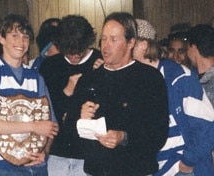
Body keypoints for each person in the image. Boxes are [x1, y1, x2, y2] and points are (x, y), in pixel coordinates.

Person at [76, 12, 169, 176]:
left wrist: (124, 137)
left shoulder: (150, 78)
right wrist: (81, 118)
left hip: (136, 170)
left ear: (131, 42)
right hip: (96, 171)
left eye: (113, 39)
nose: (105, 46)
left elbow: (158, 133)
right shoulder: (89, 79)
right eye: (103, 39)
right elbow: (69, 132)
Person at [0, 14, 59, 176]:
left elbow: (51, 126)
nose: (21, 42)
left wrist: (44, 152)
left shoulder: (36, 77)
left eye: (25, 37)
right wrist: (33, 127)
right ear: (1, 38)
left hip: (36, 166)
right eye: (15, 35)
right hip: (3, 166)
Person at [133, 19, 214, 176]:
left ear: (142, 45)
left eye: (127, 41)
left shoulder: (179, 77)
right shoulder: (135, 79)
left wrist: (187, 163)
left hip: (181, 170)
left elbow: (208, 125)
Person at [39, 15, 102, 176]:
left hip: (89, 155)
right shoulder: (50, 66)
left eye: (79, 52)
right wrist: (67, 91)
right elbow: (47, 113)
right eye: (69, 52)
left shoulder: (100, 61)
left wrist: (105, 75)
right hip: (56, 153)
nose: (74, 57)